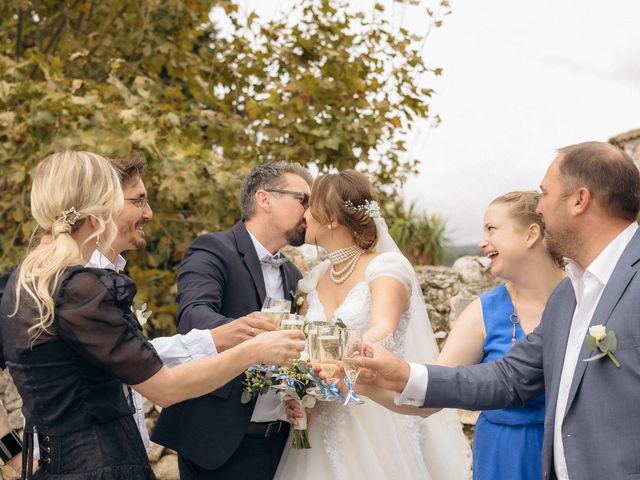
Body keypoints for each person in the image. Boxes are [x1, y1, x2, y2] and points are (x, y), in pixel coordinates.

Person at [0, 151, 305, 479]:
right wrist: (254, 351)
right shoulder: (81, 288)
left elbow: (119, 360)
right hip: (102, 467)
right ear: (100, 211)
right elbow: (165, 388)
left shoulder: (23, 284)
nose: (145, 212)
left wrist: (215, 339)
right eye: (129, 201)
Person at [357, 141, 640, 480]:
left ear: (580, 200)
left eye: (545, 194)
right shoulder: (567, 296)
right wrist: (404, 373)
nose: (541, 207)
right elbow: (507, 378)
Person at [274, 170, 470, 480]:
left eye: (311, 206)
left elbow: (382, 328)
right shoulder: (313, 278)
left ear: (332, 218)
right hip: (321, 425)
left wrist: (342, 353)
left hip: (377, 418)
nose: (304, 214)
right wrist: (299, 391)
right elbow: (302, 343)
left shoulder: (385, 267)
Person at [151, 162, 313, 480]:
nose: (309, 212)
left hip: (278, 445)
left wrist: (301, 390)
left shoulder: (295, 276)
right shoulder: (213, 249)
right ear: (265, 199)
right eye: (302, 200)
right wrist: (255, 335)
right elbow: (194, 317)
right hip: (216, 442)